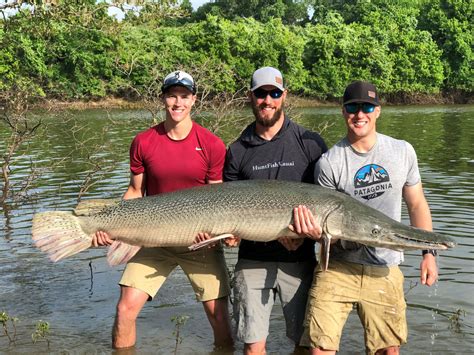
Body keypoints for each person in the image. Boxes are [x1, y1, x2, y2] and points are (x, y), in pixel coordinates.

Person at [295, 81, 439, 355]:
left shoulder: (402, 151)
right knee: (319, 350)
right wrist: (311, 230)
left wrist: (428, 252)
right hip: (337, 268)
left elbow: (417, 203)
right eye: (352, 108)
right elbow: (325, 220)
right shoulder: (329, 162)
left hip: (385, 268)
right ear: (343, 111)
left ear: (378, 111)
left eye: (367, 107)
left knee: (388, 351)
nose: (359, 114)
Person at [92, 70, 233, 349]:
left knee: (219, 317)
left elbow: (217, 198)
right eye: (172, 96)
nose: (177, 103)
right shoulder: (143, 141)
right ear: (163, 99)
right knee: (125, 310)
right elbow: (135, 192)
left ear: (194, 100)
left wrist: (220, 234)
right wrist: (106, 226)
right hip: (153, 239)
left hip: (199, 243)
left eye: (184, 96)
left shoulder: (212, 144)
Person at [224, 66, 327, 354]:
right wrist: (229, 235)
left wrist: (305, 236)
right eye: (260, 94)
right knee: (253, 348)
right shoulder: (237, 150)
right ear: (251, 97)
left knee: (305, 345)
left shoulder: (310, 143)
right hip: (253, 261)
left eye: (274, 93)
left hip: (299, 260)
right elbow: (229, 211)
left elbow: (327, 205)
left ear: (284, 96)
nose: (267, 100)